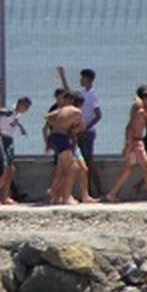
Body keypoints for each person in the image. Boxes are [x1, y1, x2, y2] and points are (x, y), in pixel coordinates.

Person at [105, 87, 147, 204]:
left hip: (135, 143)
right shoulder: (140, 113)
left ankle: (112, 194)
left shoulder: (140, 111)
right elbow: (130, 128)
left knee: (128, 169)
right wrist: (128, 145)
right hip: (136, 143)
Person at [57, 67, 103, 197]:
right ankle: (87, 192)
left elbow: (98, 115)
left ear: (87, 79)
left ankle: (98, 191)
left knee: (88, 161)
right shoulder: (81, 93)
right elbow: (69, 93)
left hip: (87, 133)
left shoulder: (92, 95)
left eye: (82, 78)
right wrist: (62, 77)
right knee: (81, 162)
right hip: (78, 131)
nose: (80, 80)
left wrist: (86, 128)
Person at [0, 96, 31, 205]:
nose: (26, 109)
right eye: (25, 106)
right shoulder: (8, 111)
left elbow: (13, 121)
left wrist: (21, 128)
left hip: (10, 140)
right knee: (6, 169)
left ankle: (5, 196)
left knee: (11, 169)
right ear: (20, 104)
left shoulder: (16, 114)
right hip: (3, 139)